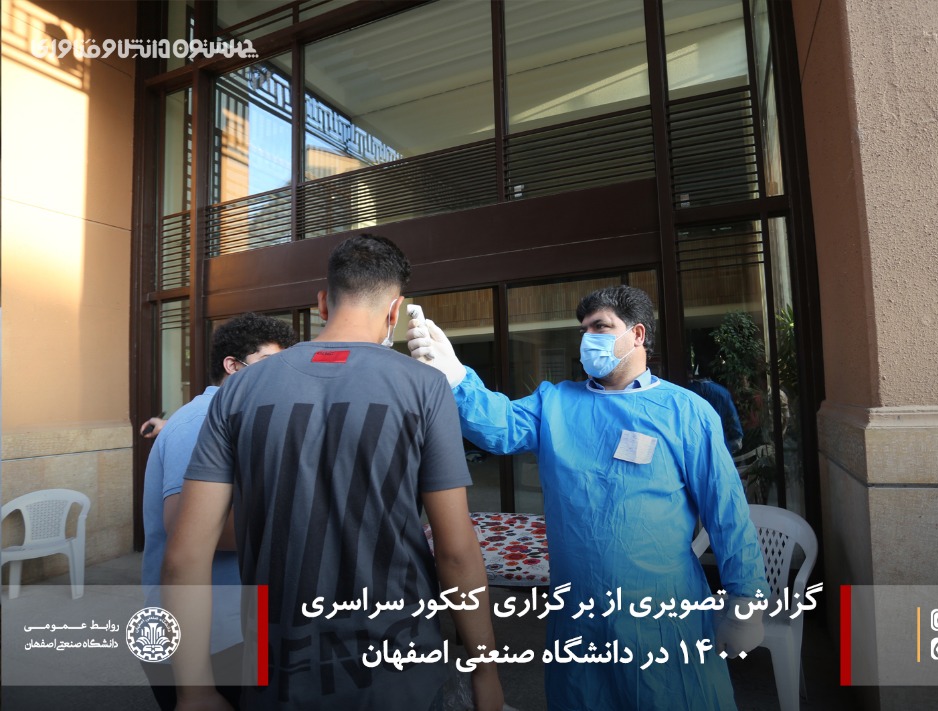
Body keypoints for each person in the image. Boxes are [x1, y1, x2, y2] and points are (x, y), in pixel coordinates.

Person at [162, 234, 503, 711]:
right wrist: (485, 671)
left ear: (322, 302)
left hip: (277, 666)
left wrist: (195, 691)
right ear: (395, 311)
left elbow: (185, 556)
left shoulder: (238, 390)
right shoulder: (425, 387)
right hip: (399, 667)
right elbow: (456, 552)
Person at [407, 284, 768, 711]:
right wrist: (457, 379)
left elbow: (726, 511)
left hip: (663, 612)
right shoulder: (555, 403)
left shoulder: (686, 412)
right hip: (579, 611)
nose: (587, 338)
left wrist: (746, 600)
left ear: (637, 334)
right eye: (583, 329)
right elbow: (499, 426)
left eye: (600, 327)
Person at [141, 312, 298, 710]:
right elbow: (184, 529)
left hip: (234, 627)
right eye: (269, 364)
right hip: (204, 638)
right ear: (233, 365)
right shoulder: (200, 422)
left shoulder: (234, 417)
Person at [686, 369, 744, 455]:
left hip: (700, 446)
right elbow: (733, 421)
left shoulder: (691, 391)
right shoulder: (722, 392)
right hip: (724, 441)